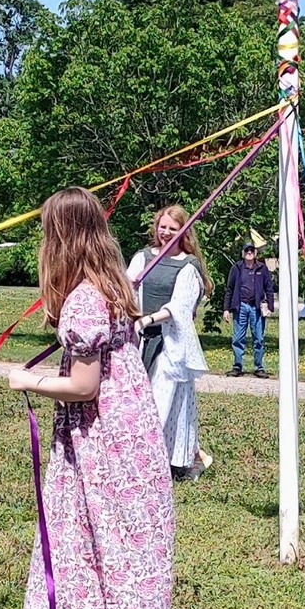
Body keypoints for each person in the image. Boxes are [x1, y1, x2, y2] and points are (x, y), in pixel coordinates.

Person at [8, 188, 173, 609]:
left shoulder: (82, 300)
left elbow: (83, 385)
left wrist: (29, 380)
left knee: (80, 532)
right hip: (132, 433)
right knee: (123, 534)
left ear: (60, 238)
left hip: (99, 438)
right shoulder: (114, 284)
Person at [127, 205, 212, 482]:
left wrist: (148, 318)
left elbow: (179, 307)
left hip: (170, 345)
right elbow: (127, 287)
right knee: (139, 401)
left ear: (183, 232)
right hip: (139, 340)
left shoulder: (189, 266)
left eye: (172, 229)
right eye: (162, 227)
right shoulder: (143, 257)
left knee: (161, 402)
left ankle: (155, 463)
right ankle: (146, 458)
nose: (165, 233)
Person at [224, 242, 276, 378]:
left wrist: (270, 306)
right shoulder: (236, 268)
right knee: (238, 338)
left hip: (256, 308)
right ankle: (237, 366)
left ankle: (259, 367)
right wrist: (226, 309)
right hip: (240, 306)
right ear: (243, 252)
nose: (249, 252)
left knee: (258, 338)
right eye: (247, 250)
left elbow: (269, 288)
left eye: (252, 250)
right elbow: (229, 289)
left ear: (255, 253)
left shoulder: (262, 269)